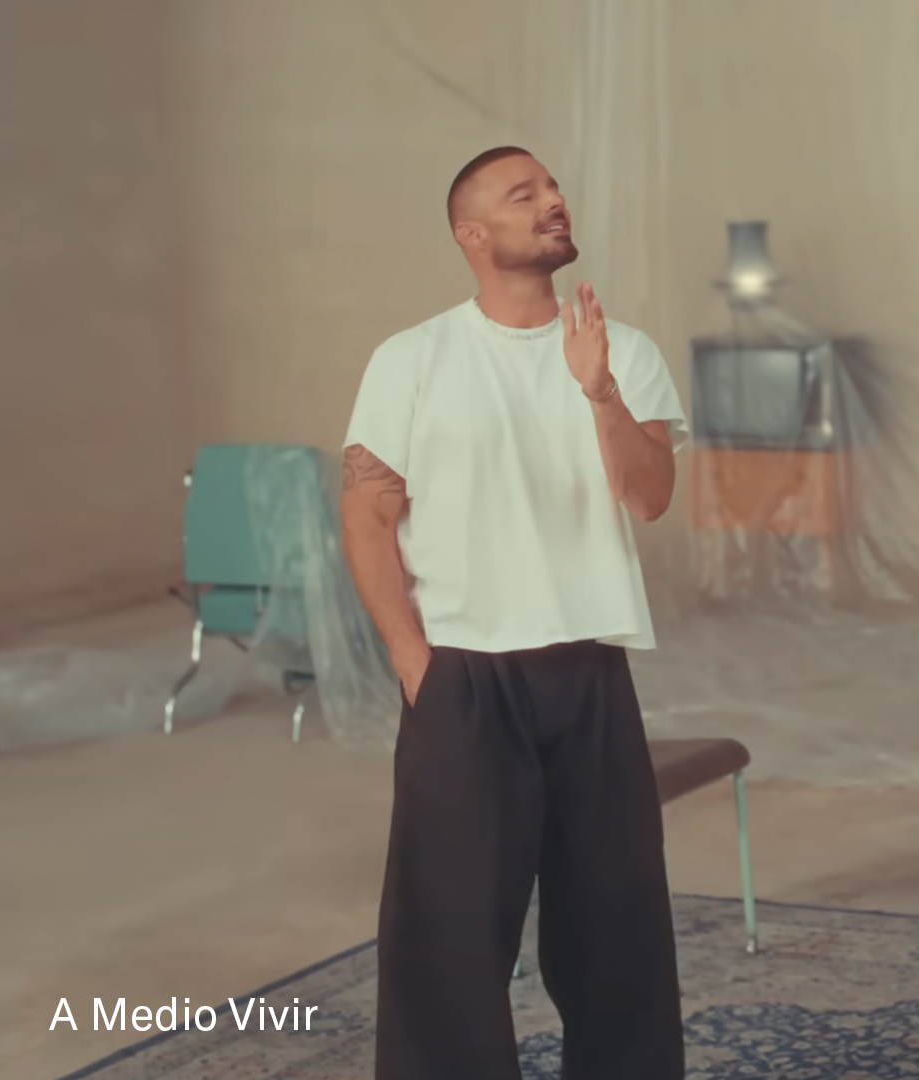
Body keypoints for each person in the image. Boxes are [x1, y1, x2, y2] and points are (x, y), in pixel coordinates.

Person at [338, 145, 690, 1080]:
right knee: (447, 939)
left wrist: (599, 390)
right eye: (523, 194)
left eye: (555, 188)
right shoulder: (412, 359)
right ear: (472, 233)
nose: (553, 202)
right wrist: (413, 659)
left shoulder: (626, 353)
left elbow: (651, 497)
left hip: (589, 671)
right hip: (463, 676)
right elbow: (367, 517)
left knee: (616, 933)